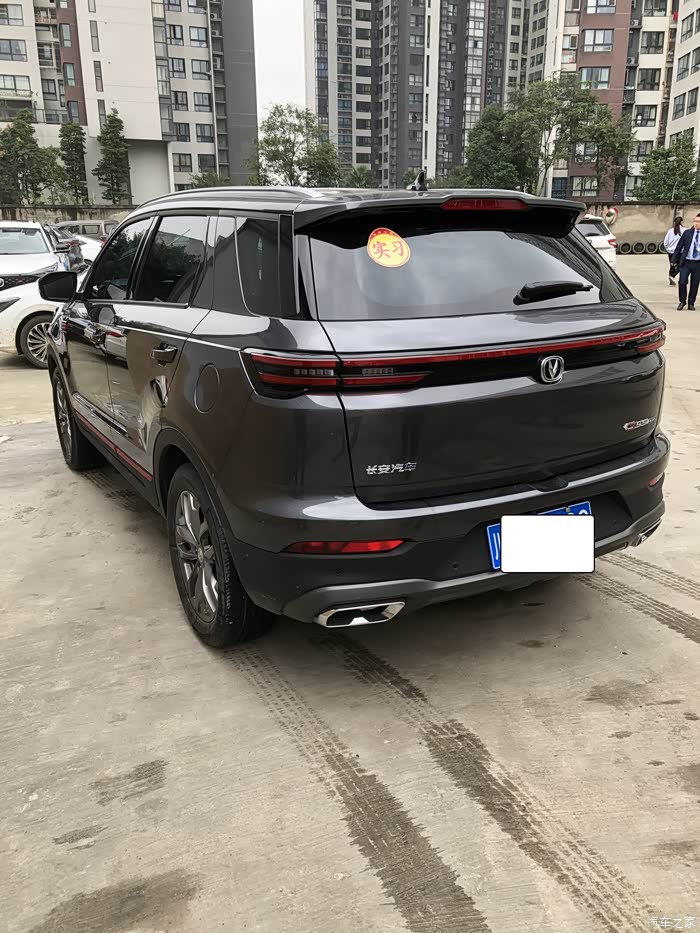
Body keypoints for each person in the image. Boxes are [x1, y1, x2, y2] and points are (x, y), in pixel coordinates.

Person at [671, 213, 700, 310]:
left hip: (698, 263)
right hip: (686, 262)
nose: (696, 223)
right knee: (682, 282)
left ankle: (691, 303)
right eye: (695, 221)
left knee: (695, 284)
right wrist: (674, 259)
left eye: (699, 222)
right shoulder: (687, 233)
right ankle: (682, 301)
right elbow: (679, 246)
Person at [663, 215, 685, 286]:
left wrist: (668, 249)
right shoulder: (684, 230)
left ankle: (671, 279)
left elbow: (665, 242)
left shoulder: (670, 231)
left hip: (671, 252)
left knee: (672, 265)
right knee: (681, 266)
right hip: (680, 252)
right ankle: (674, 276)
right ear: (682, 222)